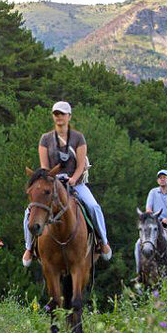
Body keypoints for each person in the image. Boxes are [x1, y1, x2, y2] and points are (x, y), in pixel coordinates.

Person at [22, 100, 112, 267]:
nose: (59, 117)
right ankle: (29, 247)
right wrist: (52, 181)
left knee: (93, 207)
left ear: (69, 116)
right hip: (52, 183)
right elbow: (44, 167)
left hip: (75, 183)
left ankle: (103, 241)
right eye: (56, 114)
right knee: (30, 211)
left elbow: (80, 165)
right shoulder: (45, 139)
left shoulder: (78, 138)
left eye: (62, 114)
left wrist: (73, 178)